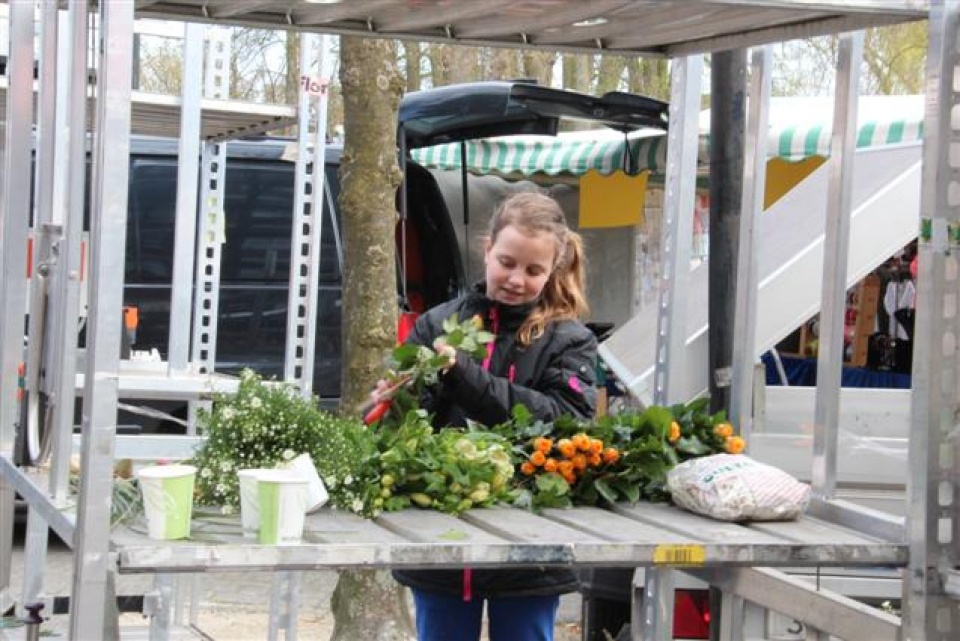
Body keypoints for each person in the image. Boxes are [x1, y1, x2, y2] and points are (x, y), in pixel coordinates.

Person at [377, 191, 598, 641]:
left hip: (532, 545)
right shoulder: (435, 325)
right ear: (486, 250)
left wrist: (465, 376)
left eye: (533, 270)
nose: (516, 279)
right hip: (443, 539)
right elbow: (406, 429)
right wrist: (398, 399)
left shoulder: (569, 340)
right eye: (506, 262)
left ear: (552, 270)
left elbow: (565, 422)